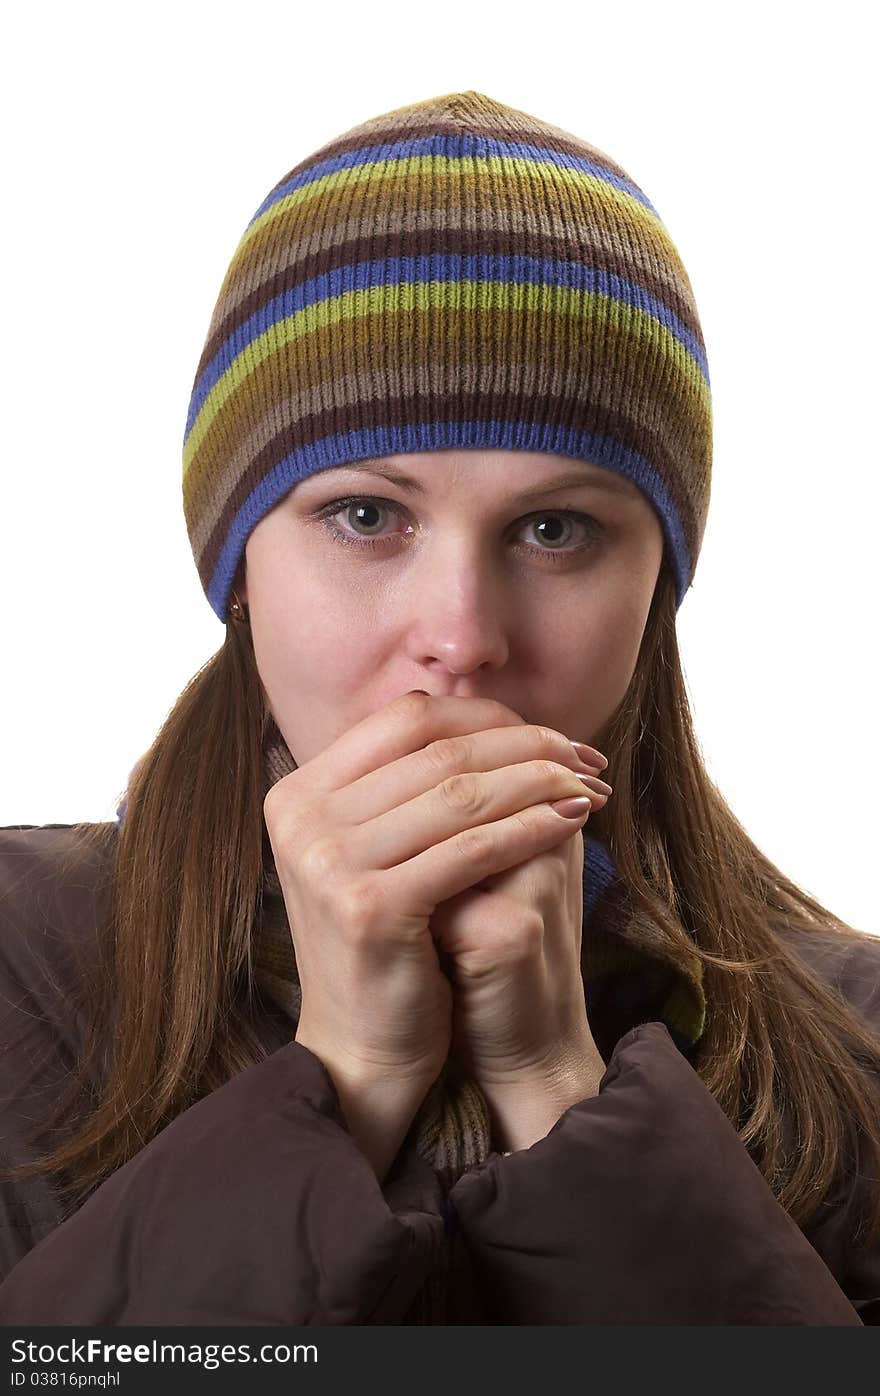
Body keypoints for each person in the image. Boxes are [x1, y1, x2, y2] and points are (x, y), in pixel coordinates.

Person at [1, 88, 878, 1327]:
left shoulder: (858, 1041)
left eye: (555, 528)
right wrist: (346, 1077)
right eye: (366, 516)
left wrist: (560, 1094)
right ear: (237, 567)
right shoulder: (18, 964)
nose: (460, 639)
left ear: (657, 587)